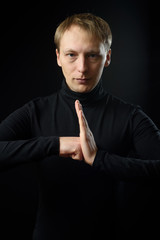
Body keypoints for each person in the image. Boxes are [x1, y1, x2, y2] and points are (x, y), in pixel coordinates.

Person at [0, 13, 160, 240]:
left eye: (92, 55)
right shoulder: (36, 111)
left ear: (108, 57)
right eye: (71, 55)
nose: (82, 68)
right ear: (58, 57)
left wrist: (98, 159)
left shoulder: (130, 116)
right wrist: (55, 144)